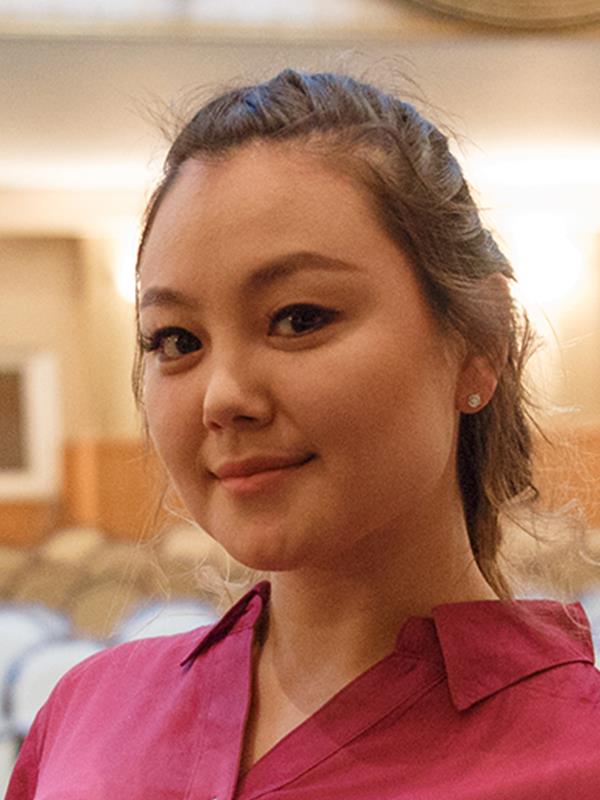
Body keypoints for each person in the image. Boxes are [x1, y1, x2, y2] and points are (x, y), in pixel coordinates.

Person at [7, 68, 600, 799]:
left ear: (481, 342)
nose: (223, 397)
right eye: (176, 340)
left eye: (299, 318)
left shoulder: (576, 759)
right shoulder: (88, 714)